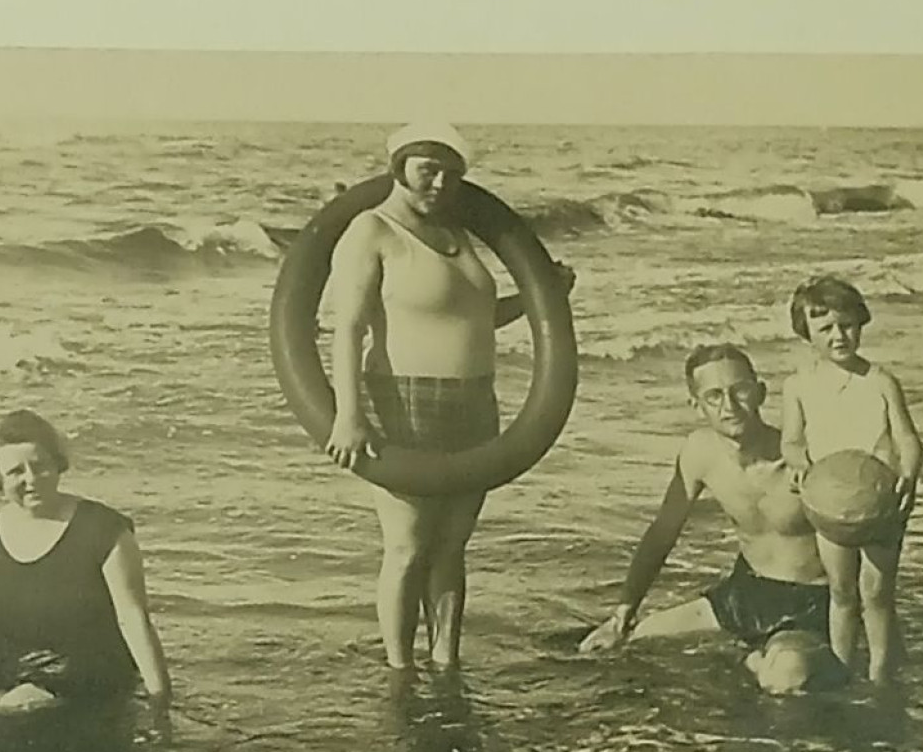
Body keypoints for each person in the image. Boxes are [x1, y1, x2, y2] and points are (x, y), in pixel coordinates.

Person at [323, 122, 574, 676]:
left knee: (453, 546)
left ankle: (445, 662)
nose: (439, 181)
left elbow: (477, 320)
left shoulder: (458, 236)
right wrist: (348, 413)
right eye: (427, 168)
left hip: (476, 402)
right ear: (399, 165)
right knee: (408, 547)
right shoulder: (372, 230)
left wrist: (543, 297)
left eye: (451, 172)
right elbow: (349, 328)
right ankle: (399, 670)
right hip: (403, 400)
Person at [0, 409, 173, 734]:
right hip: (9, 657)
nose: (31, 480)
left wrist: (159, 700)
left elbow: (133, 620)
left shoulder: (104, 530)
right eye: (16, 472)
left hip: (84, 665)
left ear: (56, 463)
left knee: (7, 706)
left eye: (39, 466)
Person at [579, 343, 845, 693]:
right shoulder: (699, 451)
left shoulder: (803, 458)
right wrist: (622, 613)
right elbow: (662, 533)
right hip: (743, 594)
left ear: (761, 392)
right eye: (714, 396)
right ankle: (751, 655)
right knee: (624, 643)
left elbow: (860, 522)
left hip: (807, 602)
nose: (729, 406)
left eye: (740, 391)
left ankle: (755, 659)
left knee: (783, 680)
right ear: (696, 404)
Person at [779, 275, 923, 688]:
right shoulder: (798, 386)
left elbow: (907, 438)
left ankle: (882, 673)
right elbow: (791, 440)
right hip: (830, 504)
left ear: (861, 323)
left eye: (847, 324)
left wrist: (909, 474)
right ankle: (841, 669)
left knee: (876, 594)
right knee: (841, 593)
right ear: (806, 334)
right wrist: (799, 464)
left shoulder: (879, 382)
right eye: (825, 328)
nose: (838, 336)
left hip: (881, 502)